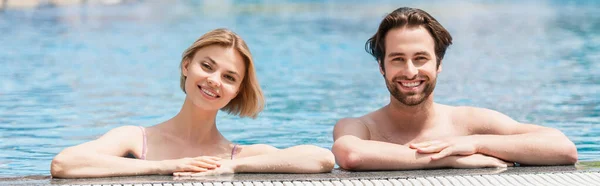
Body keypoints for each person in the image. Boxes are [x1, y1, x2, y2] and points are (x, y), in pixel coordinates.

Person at [51, 28, 335, 178]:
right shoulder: (135, 139)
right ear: (187, 65)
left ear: (236, 91)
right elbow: (65, 164)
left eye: (229, 77)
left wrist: (233, 168)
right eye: (207, 66)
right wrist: (165, 167)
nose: (214, 80)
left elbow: (321, 159)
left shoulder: (235, 156)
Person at [332, 7, 578, 171]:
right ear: (381, 67)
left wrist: (474, 143)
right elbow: (350, 153)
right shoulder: (360, 126)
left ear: (439, 64)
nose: (409, 71)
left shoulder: (470, 123)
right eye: (397, 59)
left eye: (420, 58)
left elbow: (562, 147)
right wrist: (451, 159)